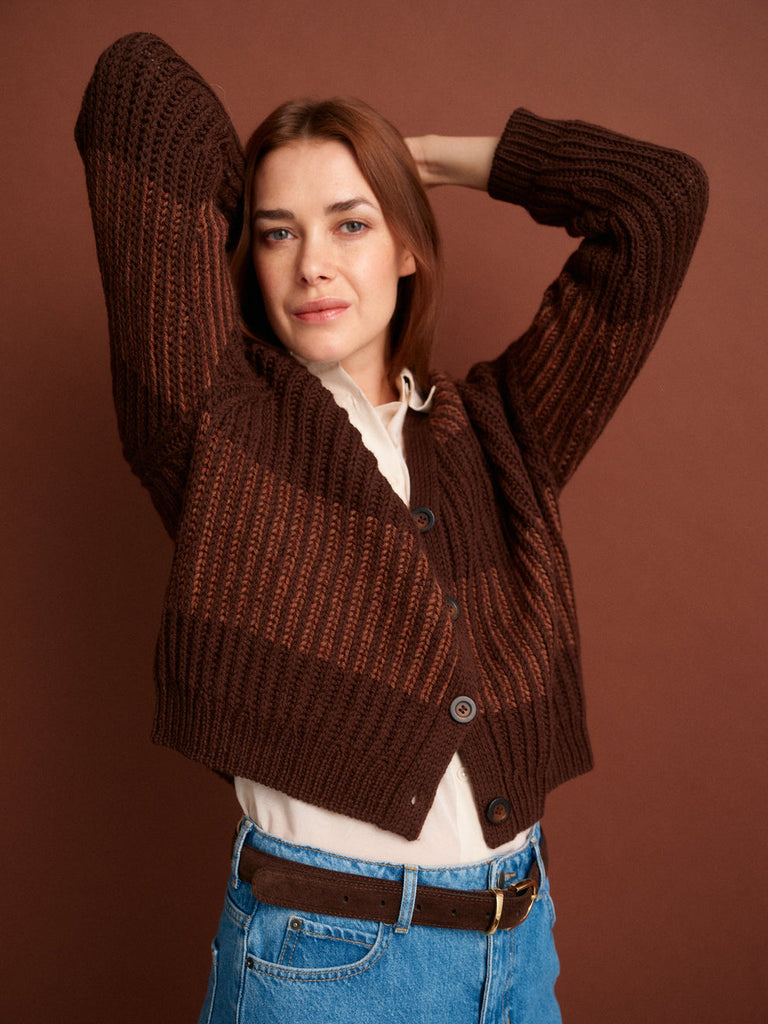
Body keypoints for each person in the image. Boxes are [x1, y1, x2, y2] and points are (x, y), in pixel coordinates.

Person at [76, 33, 707, 1024]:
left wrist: (432, 159)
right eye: (279, 233)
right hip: (327, 966)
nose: (314, 263)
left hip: (518, 947)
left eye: (352, 223)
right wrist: (303, 175)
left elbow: (658, 203)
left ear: (409, 244)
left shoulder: (504, 430)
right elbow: (134, 87)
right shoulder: (217, 423)